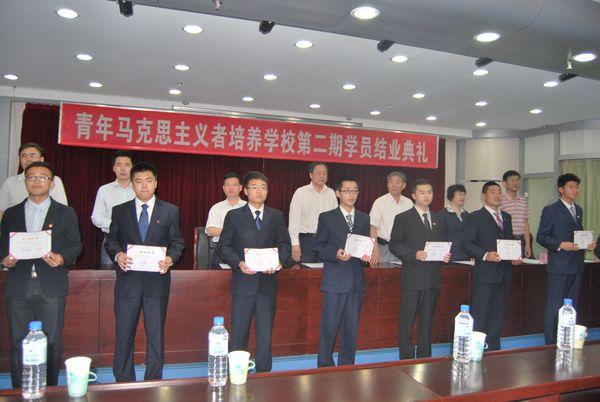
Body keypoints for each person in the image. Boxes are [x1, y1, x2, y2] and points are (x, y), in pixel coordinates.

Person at [0, 161, 82, 388]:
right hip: (19, 285)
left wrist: (62, 258)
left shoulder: (65, 213)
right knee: (18, 342)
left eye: (42, 177)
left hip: (51, 284)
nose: (36, 181)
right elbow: (2, 244)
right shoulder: (11, 214)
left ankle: (50, 389)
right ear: (25, 181)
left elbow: (76, 245)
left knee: (52, 342)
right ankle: (20, 390)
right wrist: (4, 258)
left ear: (51, 183)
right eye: (31, 177)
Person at [105, 162, 185, 382]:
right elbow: (111, 240)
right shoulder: (120, 211)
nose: (144, 186)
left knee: (155, 333)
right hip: (128, 281)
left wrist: (170, 258)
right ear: (132, 184)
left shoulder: (170, 211)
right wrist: (118, 255)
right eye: (138, 181)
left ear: (156, 183)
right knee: (124, 333)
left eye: (148, 181)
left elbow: (177, 242)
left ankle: (154, 379)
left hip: (156, 282)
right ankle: (123, 380)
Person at [218, 171, 291, 372]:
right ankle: (236, 373)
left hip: (267, 284)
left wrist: (279, 262)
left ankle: (264, 375)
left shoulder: (276, 216)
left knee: (265, 334)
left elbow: (285, 244)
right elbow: (224, 247)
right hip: (243, 283)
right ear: (245, 191)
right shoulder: (234, 216)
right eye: (254, 187)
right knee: (239, 334)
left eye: (263, 187)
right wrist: (239, 263)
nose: (259, 191)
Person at [389, 178, 449, 359]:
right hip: (413, 278)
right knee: (407, 321)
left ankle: (425, 357)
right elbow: (395, 244)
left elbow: (442, 244)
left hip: (432, 278)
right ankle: (406, 358)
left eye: (429, 192)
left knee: (427, 322)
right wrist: (413, 254)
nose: (426, 196)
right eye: (422, 193)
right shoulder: (403, 218)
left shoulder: (438, 218)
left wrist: (445, 255)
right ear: (414, 195)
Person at [315, 176, 371, 367]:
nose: (351, 195)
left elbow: (364, 244)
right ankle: (324, 365)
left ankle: (347, 366)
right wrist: (335, 254)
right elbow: (318, 246)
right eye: (347, 191)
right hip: (335, 280)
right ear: (338, 193)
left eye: (354, 191)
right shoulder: (327, 217)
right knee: (329, 326)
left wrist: (366, 256)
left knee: (351, 328)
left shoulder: (364, 218)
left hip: (356, 281)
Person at [536, 173, 596, 345]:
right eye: (571, 187)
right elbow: (541, 236)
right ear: (561, 189)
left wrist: (586, 245)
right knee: (555, 305)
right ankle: (550, 342)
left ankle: (566, 340)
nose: (575, 190)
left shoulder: (579, 210)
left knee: (571, 306)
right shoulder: (551, 210)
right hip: (560, 266)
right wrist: (560, 244)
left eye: (577, 187)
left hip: (576, 265)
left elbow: (577, 235)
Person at [462, 181, 520, 351]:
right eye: (493, 192)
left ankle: (493, 349)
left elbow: (508, 242)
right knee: (481, 313)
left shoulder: (507, 217)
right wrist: (486, 255)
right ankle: (475, 349)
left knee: (498, 314)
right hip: (486, 273)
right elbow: (466, 243)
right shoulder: (475, 217)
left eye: (499, 192)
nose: (497, 195)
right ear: (484, 196)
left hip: (504, 273)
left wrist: (514, 256)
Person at [0, 143, 68, 221]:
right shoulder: (10, 182)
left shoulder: (54, 180)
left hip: (47, 226)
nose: (28, 159)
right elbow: (1, 210)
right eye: (24, 156)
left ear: (42, 159)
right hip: (16, 227)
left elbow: (62, 210)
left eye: (32, 155)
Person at [91, 150, 135, 266]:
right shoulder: (104, 190)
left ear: (132, 168)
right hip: (111, 240)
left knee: (135, 273)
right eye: (119, 165)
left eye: (127, 165)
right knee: (107, 274)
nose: (123, 169)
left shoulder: (140, 190)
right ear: (114, 168)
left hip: (135, 241)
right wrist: (116, 225)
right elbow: (96, 218)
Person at [288, 162, 338, 264]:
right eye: (319, 173)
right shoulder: (301, 192)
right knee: (306, 270)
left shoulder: (331, 193)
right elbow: (294, 220)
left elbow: (335, 219)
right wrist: (295, 244)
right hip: (306, 240)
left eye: (325, 173)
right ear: (311, 175)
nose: (322, 176)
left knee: (325, 270)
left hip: (326, 241)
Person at [369, 171, 414, 265]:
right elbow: (372, 227)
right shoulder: (379, 202)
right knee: (383, 273)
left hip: (403, 249)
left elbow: (412, 228)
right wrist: (374, 251)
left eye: (397, 182)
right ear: (387, 184)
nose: (394, 185)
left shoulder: (409, 203)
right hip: (384, 248)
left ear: (404, 185)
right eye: (391, 182)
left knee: (402, 273)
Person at [205, 172, 246, 268]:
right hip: (221, 249)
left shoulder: (247, 207)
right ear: (223, 188)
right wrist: (234, 231)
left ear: (240, 188)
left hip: (243, 249)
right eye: (227, 185)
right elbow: (210, 231)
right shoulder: (216, 207)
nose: (231, 188)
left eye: (234, 185)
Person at [500, 170, 531, 258]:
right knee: (507, 264)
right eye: (512, 180)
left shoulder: (523, 200)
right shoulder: (500, 199)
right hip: (506, 240)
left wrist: (528, 244)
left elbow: (525, 223)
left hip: (521, 239)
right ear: (504, 183)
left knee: (520, 264)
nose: (515, 183)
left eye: (517, 180)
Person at [438, 184, 469, 261]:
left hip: (466, 256)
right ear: (451, 195)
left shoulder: (467, 214)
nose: (462, 197)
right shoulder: (442, 214)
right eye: (460, 194)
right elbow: (440, 236)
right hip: (449, 257)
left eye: (464, 195)